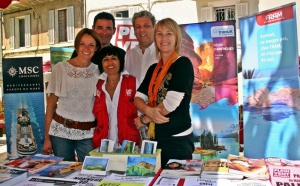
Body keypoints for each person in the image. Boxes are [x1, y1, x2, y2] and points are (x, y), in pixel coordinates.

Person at [134, 18, 195, 167]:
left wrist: (145, 119)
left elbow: (170, 105)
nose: (164, 38)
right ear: (155, 38)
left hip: (177, 140)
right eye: (159, 34)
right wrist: (148, 110)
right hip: (155, 139)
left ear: (176, 38)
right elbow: (138, 98)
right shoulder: (153, 68)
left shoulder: (183, 64)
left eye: (169, 33)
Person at [43, 28, 101, 162]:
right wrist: (47, 138)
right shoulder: (60, 68)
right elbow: (51, 105)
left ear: (96, 48)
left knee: (90, 173)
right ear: (76, 46)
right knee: (64, 175)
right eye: (82, 44)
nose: (87, 48)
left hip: (88, 134)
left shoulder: (98, 71)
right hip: (60, 132)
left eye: (91, 45)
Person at [92, 46, 140, 149]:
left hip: (128, 143)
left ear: (120, 61)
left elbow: (141, 112)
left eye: (114, 58)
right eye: (105, 59)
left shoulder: (132, 82)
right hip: (103, 143)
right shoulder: (97, 84)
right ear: (101, 63)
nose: (110, 63)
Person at [125, 10, 157, 85]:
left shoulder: (163, 53)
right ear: (134, 31)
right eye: (138, 27)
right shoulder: (129, 55)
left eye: (146, 26)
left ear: (154, 28)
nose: (142, 30)